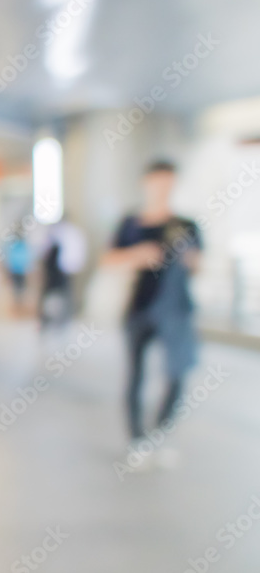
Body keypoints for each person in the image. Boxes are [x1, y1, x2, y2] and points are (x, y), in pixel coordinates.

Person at [102, 160, 201, 464]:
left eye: (168, 182)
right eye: (158, 182)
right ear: (147, 183)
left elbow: (198, 266)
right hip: (139, 307)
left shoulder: (186, 225)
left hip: (174, 311)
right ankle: (137, 440)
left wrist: (186, 258)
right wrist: (137, 255)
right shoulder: (131, 223)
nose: (162, 188)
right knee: (136, 374)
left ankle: (160, 433)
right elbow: (108, 260)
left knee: (177, 373)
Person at [37, 218, 87, 329]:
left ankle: (63, 318)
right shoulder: (56, 234)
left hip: (64, 270)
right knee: (53, 295)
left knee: (65, 294)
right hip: (55, 271)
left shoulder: (68, 233)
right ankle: (49, 319)